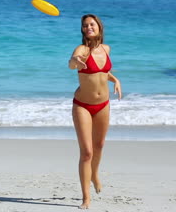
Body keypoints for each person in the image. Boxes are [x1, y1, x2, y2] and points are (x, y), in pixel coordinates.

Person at [68, 14, 122, 209]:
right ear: (82, 30)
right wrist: (76, 61)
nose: (88, 27)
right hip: (83, 105)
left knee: (99, 145)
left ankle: (95, 174)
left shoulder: (106, 49)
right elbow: (72, 63)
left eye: (91, 24)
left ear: (99, 26)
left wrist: (115, 80)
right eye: (85, 26)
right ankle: (86, 198)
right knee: (87, 153)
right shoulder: (82, 49)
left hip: (103, 104)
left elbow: (101, 72)